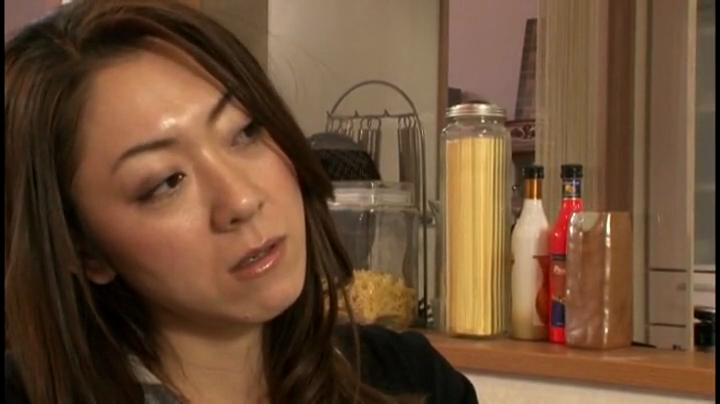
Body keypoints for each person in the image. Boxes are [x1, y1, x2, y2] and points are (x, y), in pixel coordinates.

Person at [4, 1, 478, 403]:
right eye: (166, 182)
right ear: (81, 248)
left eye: (246, 132)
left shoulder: (412, 381)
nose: (242, 199)